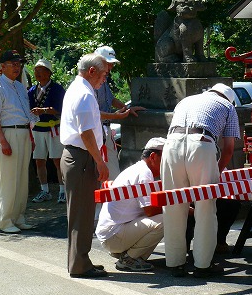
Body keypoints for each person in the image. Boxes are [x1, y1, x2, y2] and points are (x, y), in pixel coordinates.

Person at [161, 83, 241, 278]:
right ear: (228, 98)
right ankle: (203, 264)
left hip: (171, 145)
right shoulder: (228, 106)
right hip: (202, 144)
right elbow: (229, 148)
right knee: (205, 206)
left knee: (172, 205)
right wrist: (217, 172)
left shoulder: (186, 101)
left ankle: (174, 263)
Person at [60, 53, 110, 279]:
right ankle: (79, 263)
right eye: (103, 74)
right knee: (82, 212)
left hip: (78, 156)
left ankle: (80, 260)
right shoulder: (84, 94)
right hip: (81, 157)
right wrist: (100, 161)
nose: (104, 80)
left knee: (81, 211)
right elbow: (86, 132)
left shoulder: (78, 89)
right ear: (92, 71)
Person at [96, 137, 166, 272]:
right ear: (153, 157)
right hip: (113, 235)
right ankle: (130, 258)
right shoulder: (144, 173)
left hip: (111, 232)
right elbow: (150, 211)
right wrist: (182, 208)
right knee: (168, 219)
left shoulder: (138, 168)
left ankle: (128, 254)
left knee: (165, 216)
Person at [0, 50, 38, 234]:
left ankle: (18, 217)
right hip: (8, 133)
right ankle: (5, 220)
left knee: (22, 179)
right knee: (9, 179)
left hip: (23, 133)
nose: (16, 67)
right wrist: (3, 141)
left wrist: (31, 135)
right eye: (12, 64)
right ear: (2, 67)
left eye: (18, 64)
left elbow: (25, 113)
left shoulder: (19, 87)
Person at [93, 45, 144, 180]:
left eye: (111, 64)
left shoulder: (103, 80)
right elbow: (92, 113)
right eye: (108, 63)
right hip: (94, 131)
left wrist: (127, 108)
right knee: (101, 171)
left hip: (105, 129)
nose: (110, 67)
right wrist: (115, 116)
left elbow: (111, 99)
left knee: (112, 170)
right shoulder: (90, 82)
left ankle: (111, 199)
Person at [28, 58, 66, 204]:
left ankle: (62, 190)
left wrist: (43, 110)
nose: (37, 72)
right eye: (36, 70)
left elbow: (60, 108)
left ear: (48, 73)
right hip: (37, 128)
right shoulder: (32, 90)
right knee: (39, 161)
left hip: (53, 128)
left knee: (57, 160)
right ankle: (45, 190)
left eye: (41, 70)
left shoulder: (57, 89)